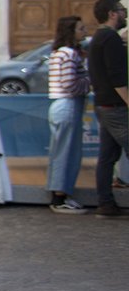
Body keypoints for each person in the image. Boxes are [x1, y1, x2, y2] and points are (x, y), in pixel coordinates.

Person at [86, 0, 128, 217]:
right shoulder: (110, 38)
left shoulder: (100, 37)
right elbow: (117, 77)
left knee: (107, 156)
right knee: (109, 155)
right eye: (121, 10)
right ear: (112, 14)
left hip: (104, 105)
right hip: (115, 106)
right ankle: (105, 202)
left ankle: (105, 202)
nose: (124, 13)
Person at [45, 15, 89, 212]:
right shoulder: (69, 54)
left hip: (61, 105)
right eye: (81, 28)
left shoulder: (58, 53)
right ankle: (60, 196)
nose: (84, 32)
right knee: (67, 152)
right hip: (68, 104)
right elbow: (69, 84)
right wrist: (89, 82)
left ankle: (59, 193)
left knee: (60, 151)